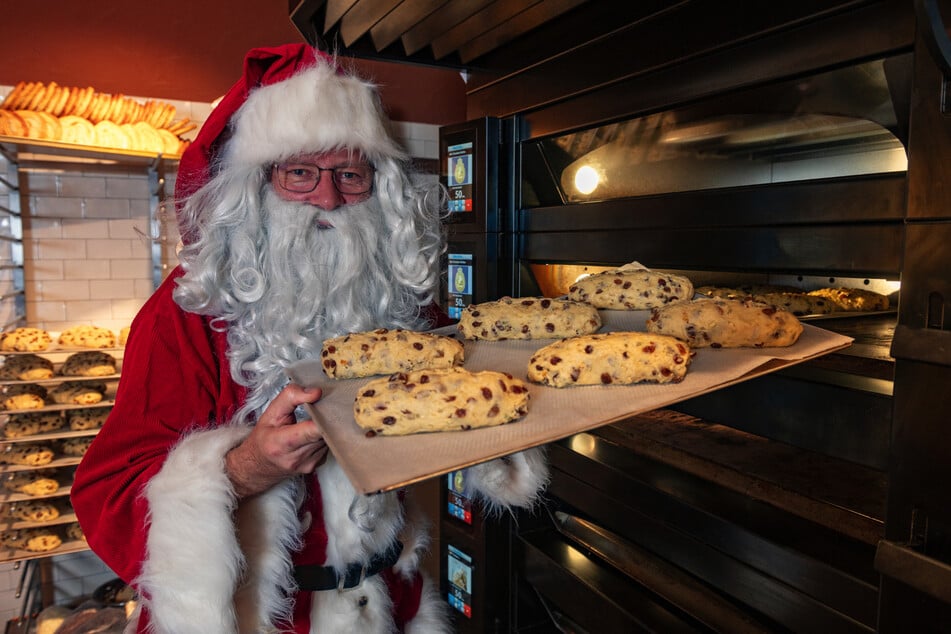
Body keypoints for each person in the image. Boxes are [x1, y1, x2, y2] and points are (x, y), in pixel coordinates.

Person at [71, 43, 548, 634]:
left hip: (388, 603)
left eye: (350, 174)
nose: (328, 198)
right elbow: (105, 496)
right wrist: (246, 467)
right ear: (256, 185)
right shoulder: (186, 313)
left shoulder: (396, 296)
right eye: (300, 173)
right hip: (266, 619)